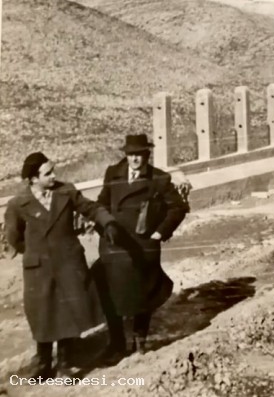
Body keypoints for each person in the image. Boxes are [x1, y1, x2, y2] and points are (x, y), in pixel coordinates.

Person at [3, 152, 118, 378]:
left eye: (53, 171)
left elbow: (90, 208)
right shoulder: (17, 204)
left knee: (67, 310)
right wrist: (35, 251)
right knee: (43, 313)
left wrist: (108, 222)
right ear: (33, 179)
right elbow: (13, 237)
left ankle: (66, 361)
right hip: (39, 268)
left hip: (68, 262)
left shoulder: (66, 191)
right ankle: (43, 363)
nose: (53, 176)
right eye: (47, 173)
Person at [91, 134, 189, 362]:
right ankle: (116, 343)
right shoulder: (113, 173)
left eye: (139, 154)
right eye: (130, 154)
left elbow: (178, 208)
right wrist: (104, 227)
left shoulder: (159, 178)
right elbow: (102, 203)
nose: (134, 159)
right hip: (114, 244)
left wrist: (159, 233)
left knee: (142, 294)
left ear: (147, 155)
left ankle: (139, 343)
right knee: (110, 292)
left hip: (143, 246)